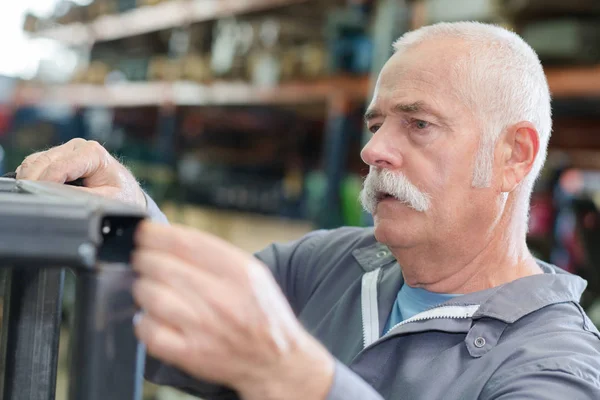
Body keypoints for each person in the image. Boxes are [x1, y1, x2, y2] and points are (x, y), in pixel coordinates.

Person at [15, 22, 600, 400]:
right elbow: (177, 316)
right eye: (376, 124)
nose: (373, 150)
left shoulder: (555, 368)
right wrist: (130, 214)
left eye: (418, 124)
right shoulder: (335, 264)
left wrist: (301, 380)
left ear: (512, 157)